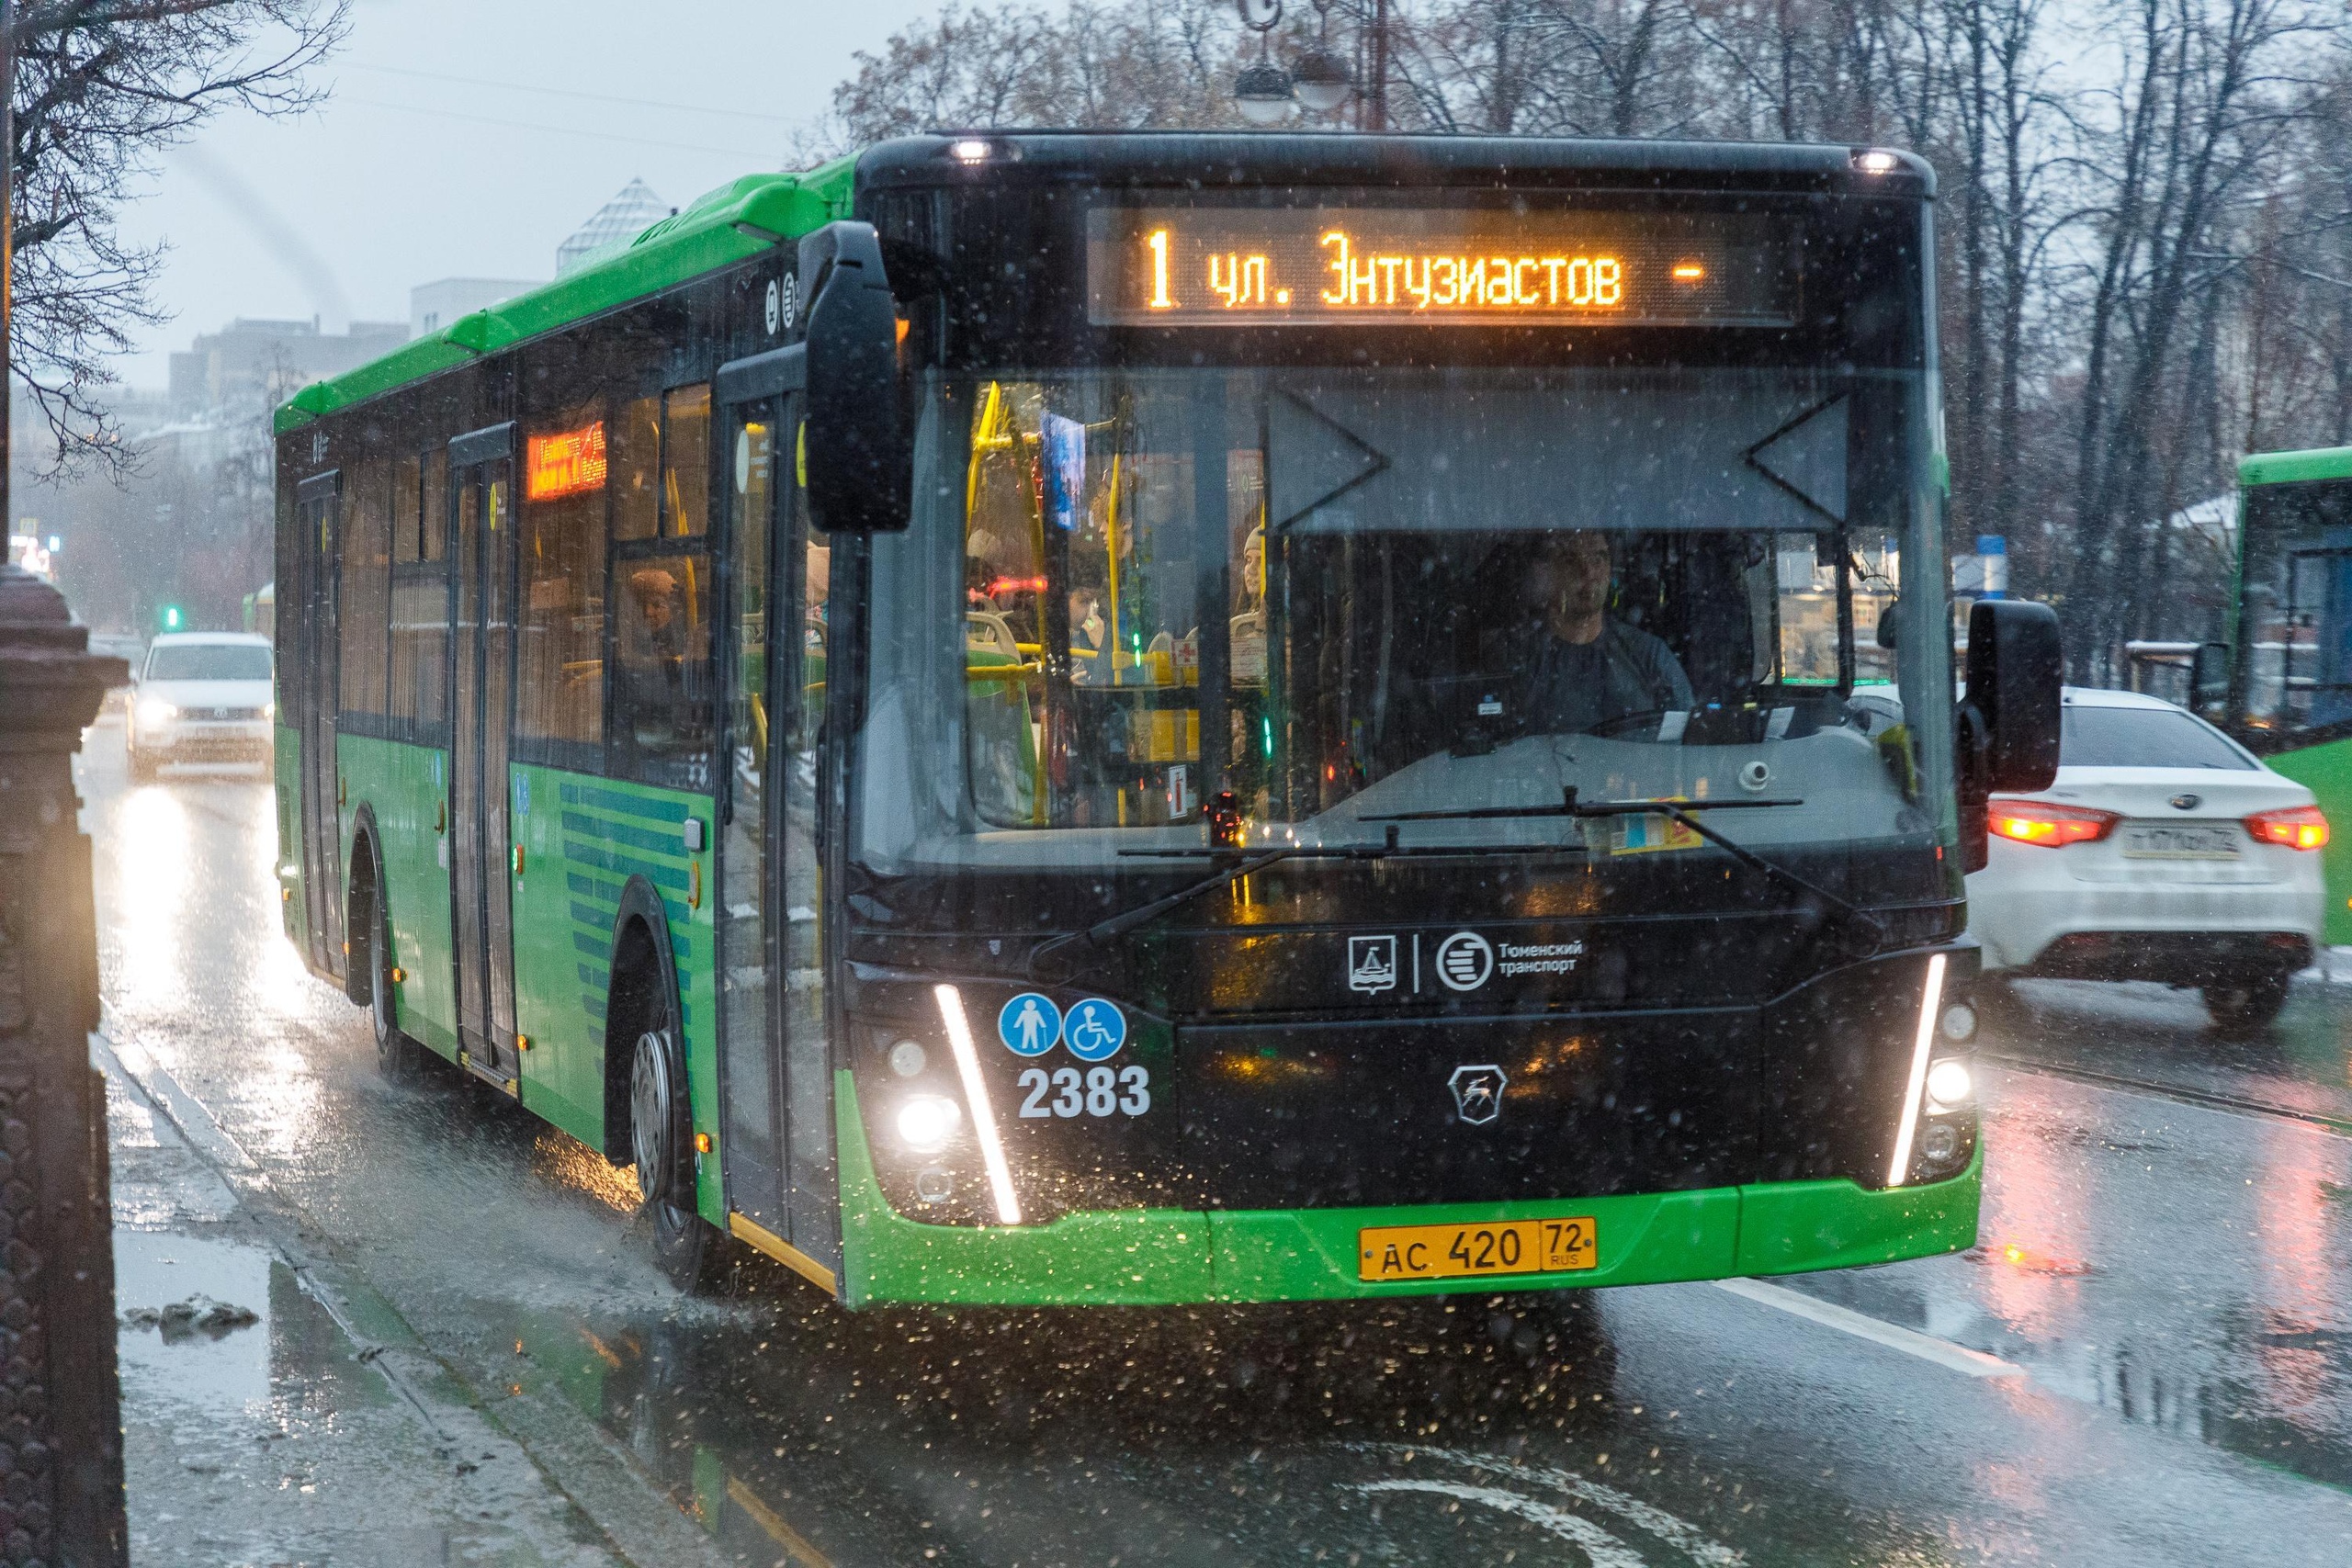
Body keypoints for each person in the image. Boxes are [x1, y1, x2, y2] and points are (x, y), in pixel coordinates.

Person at [1518, 529, 1693, 734]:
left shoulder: (1650, 656)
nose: (1588, 573)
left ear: (1610, 569)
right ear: (1549, 574)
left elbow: (1690, 739)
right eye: (1570, 560)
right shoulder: (1522, 661)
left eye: (1598, 558)